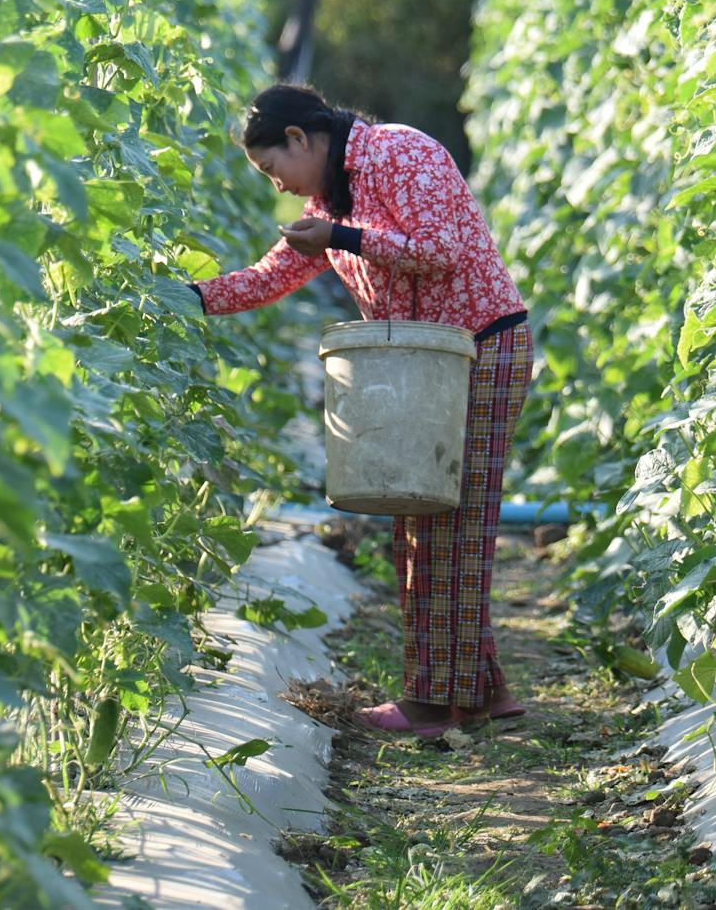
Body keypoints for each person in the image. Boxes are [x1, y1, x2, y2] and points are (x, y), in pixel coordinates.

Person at [186, 84, 533, 737]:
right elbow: (267, 277)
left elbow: (441, 250)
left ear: (300, 139)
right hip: (420, 366)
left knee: (447, 523)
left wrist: (344, 236)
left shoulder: (401, 154)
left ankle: (432, 704)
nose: (280, 187)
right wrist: (188, 298)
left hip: (480, 348)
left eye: (273, 169)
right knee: (422, 521)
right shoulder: (327, 204)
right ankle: (484, 690)